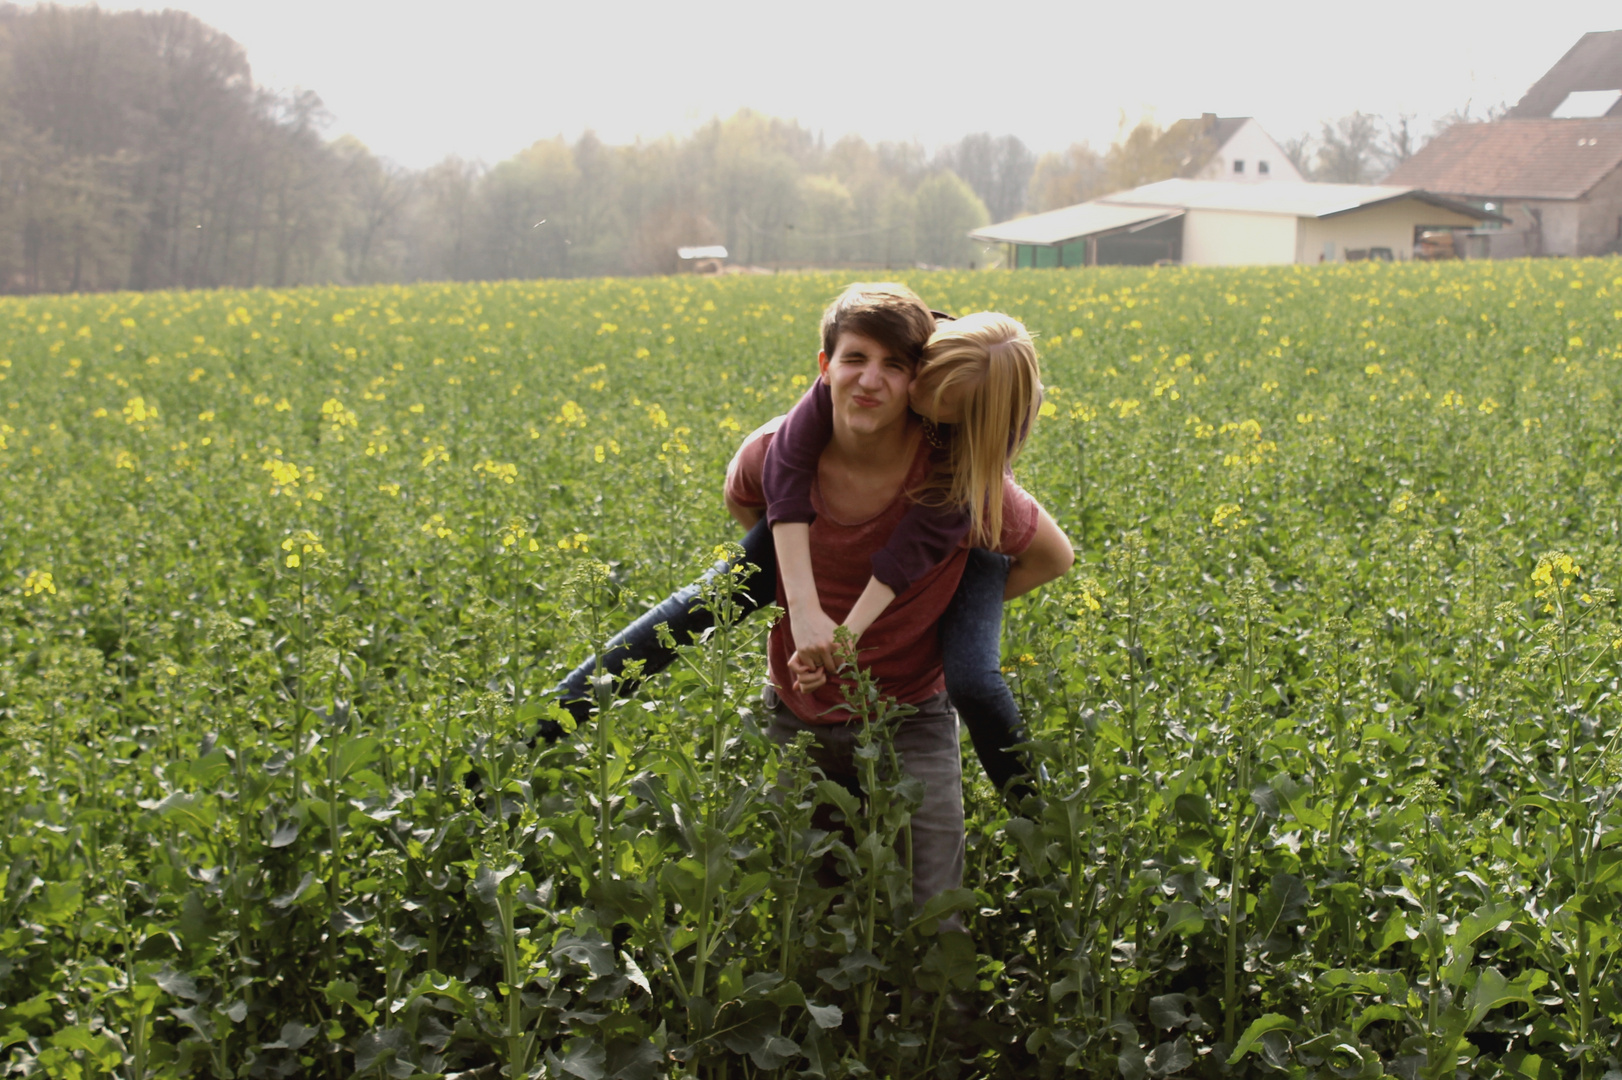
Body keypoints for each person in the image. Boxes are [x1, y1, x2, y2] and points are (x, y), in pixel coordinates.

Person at [545, 282, 1074, 915]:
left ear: (917, 382)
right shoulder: (784, 442)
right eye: (855, 360)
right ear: (825, 368)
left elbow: (1049, 555)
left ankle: (1053, 844)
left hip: (912, 711)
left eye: (897, 370)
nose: (874, 383)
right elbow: (752, 501)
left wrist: (940, 603)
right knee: (680, 620)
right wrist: (799, 588)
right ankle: (534, 732)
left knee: (940, 906)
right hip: (802, 710)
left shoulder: (963, 470)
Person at [762, 311, 1043, 797]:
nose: (912, 398)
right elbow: (782, 463)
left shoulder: (979, 450)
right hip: (807, 504)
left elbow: (922, 543)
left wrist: (937, 603)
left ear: (967, 420)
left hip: (967, 530)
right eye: (922, 380)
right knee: (706, 597)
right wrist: (806, 592)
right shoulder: (919, 344)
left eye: (936, 407)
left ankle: (1040, 816)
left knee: (974, 679)